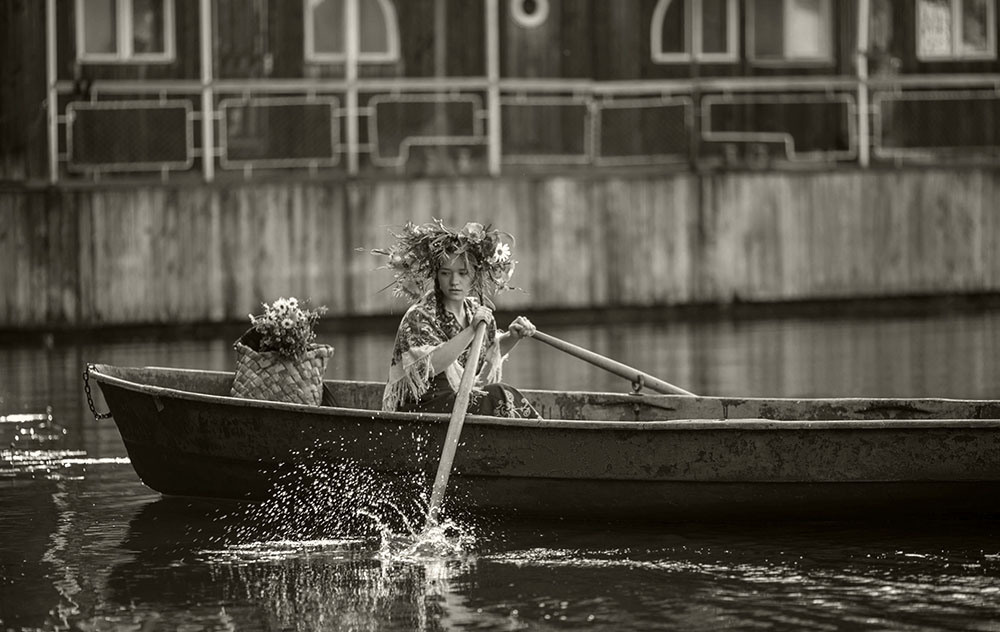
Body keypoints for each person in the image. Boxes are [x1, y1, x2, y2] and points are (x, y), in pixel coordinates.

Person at [373, 219, 541, 418]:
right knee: (499, 395)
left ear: (475, 276)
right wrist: (471, 331)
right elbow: (428, 367)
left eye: (463, 273)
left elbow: (485, 352)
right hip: (421, 410)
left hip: (457, 404)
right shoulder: (418, 316)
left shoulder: (475, 311)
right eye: (446, 273)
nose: (454, 282)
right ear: (437, 276)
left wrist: (513, 336)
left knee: (499, 394)